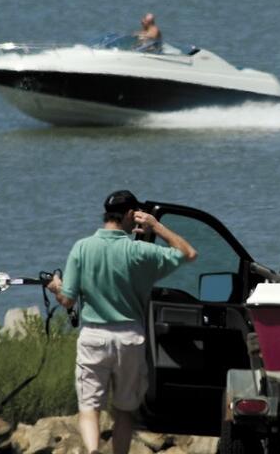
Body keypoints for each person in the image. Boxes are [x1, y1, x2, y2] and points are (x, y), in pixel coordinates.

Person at [47, 190, 197, 454]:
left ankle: (93, 451)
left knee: (89, 407)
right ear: (131, 215)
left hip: (93, 337)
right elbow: (188, 253)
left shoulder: (82, 248)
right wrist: (156, 225)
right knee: (125, 411)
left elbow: (68, 300)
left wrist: (56, 287)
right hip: (129, 337)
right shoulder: (140, 251)